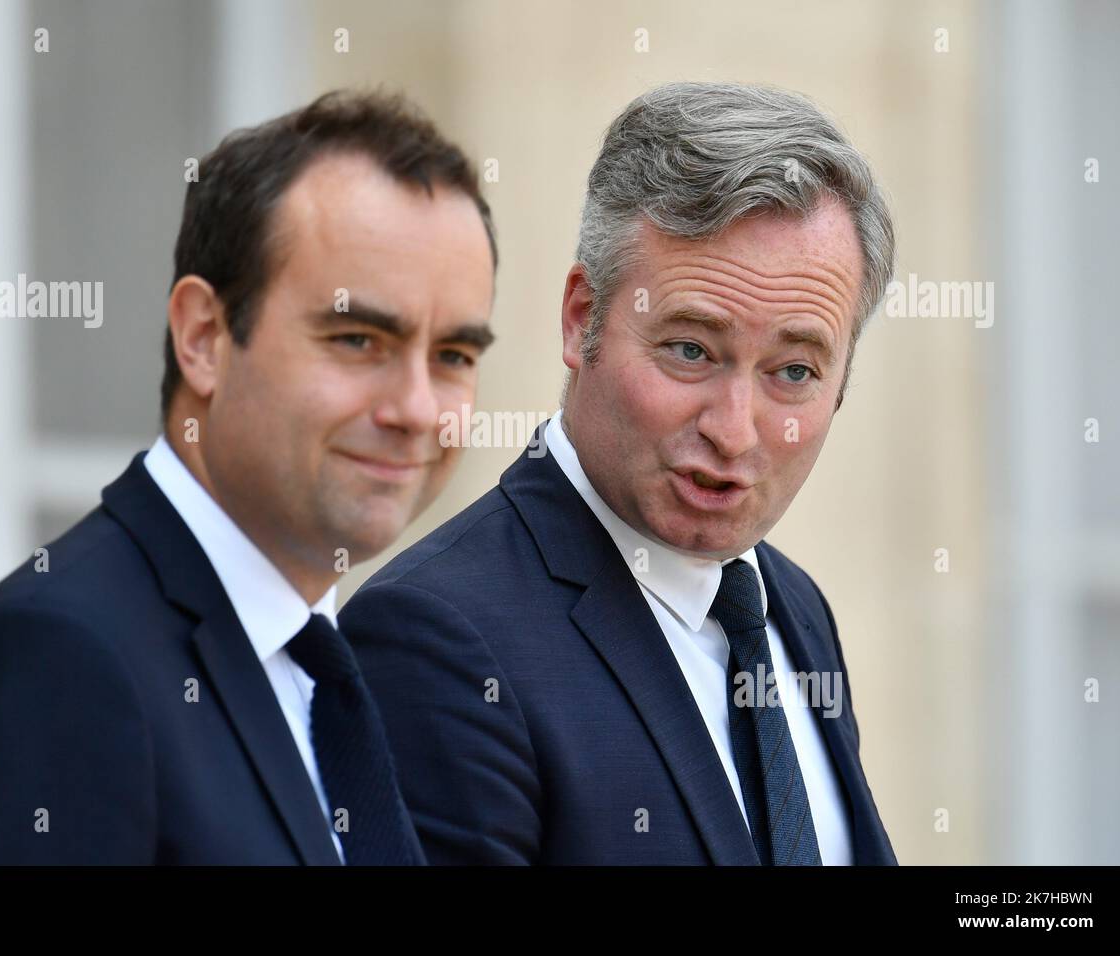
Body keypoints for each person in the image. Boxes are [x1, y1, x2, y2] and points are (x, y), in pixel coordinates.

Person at [0, 90, 498, 865]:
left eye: (454, 357)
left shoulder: (331, 677)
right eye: (357, 339)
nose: (414, 408)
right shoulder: (50, 664)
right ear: (204, 337)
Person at [340, 81, 897, 865]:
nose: (733, 430)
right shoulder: (433, 641)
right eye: (690, 350)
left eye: (794, 371)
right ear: (582, 319)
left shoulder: (792, 611)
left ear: (842, 384)